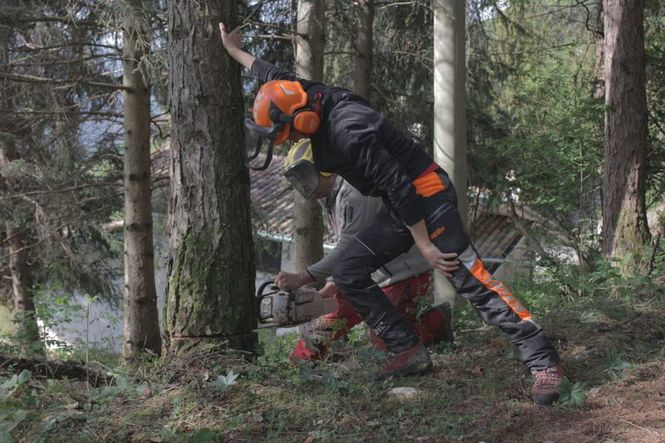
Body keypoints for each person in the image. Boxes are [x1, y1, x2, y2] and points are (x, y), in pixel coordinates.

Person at [220, 23, 564, 405]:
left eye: (293, 135)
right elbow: (274, 75)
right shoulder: (309, 94)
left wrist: (426, 246)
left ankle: (542, 361)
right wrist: (235, 51)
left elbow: (400, 186)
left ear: (303, 119)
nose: (296, 142)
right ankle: (407, 349)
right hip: (401, 206)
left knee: (470, 278)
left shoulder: (351, 131)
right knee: (349, 271)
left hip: (426, 194)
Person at [275, 140, 456, 362]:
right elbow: (349, 249)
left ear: (324, 166)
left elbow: (349, 246)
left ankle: (436, 322)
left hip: (399, 273)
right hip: (361, 274)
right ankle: (297, 367)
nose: (304, 184)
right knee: (322, 326)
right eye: (299, 179)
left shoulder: (354, 193)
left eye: (305, 175)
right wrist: (331, 286)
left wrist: (303, 277)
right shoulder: (331, 197)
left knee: (387, 344)